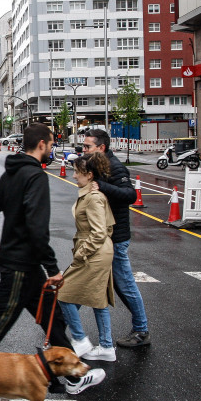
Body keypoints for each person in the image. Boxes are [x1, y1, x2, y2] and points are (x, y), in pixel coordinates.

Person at [0, 123, 106, 395]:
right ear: (42, 144)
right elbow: (36, 226)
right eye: (51, 143)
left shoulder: (12, 174)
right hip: (20, 266)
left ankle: (72, 377)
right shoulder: (35, 177)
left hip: (28, 268)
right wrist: (53, 268)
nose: (53, 148)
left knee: (52, 319)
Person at [82, 129, 150, 348]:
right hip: (106, 235)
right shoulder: (99, 164)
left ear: (101, 148)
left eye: (87, 147)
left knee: (125, 284)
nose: (84, 150)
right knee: (115, 285)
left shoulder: (116, 166)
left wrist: (102, 186)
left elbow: (130, 195)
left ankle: (141, 330)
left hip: (116, 236)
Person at [58, 152, 117, 362]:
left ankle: (80, 339)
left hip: (95, 252)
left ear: (89, 175)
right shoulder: (91, 194)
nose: (74, 176)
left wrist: (82, 253)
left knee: (63, 294)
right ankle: (107, 346)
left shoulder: (93, 198)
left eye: (78, 172)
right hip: (99, 251)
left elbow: (99, 232)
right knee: (98, 300)